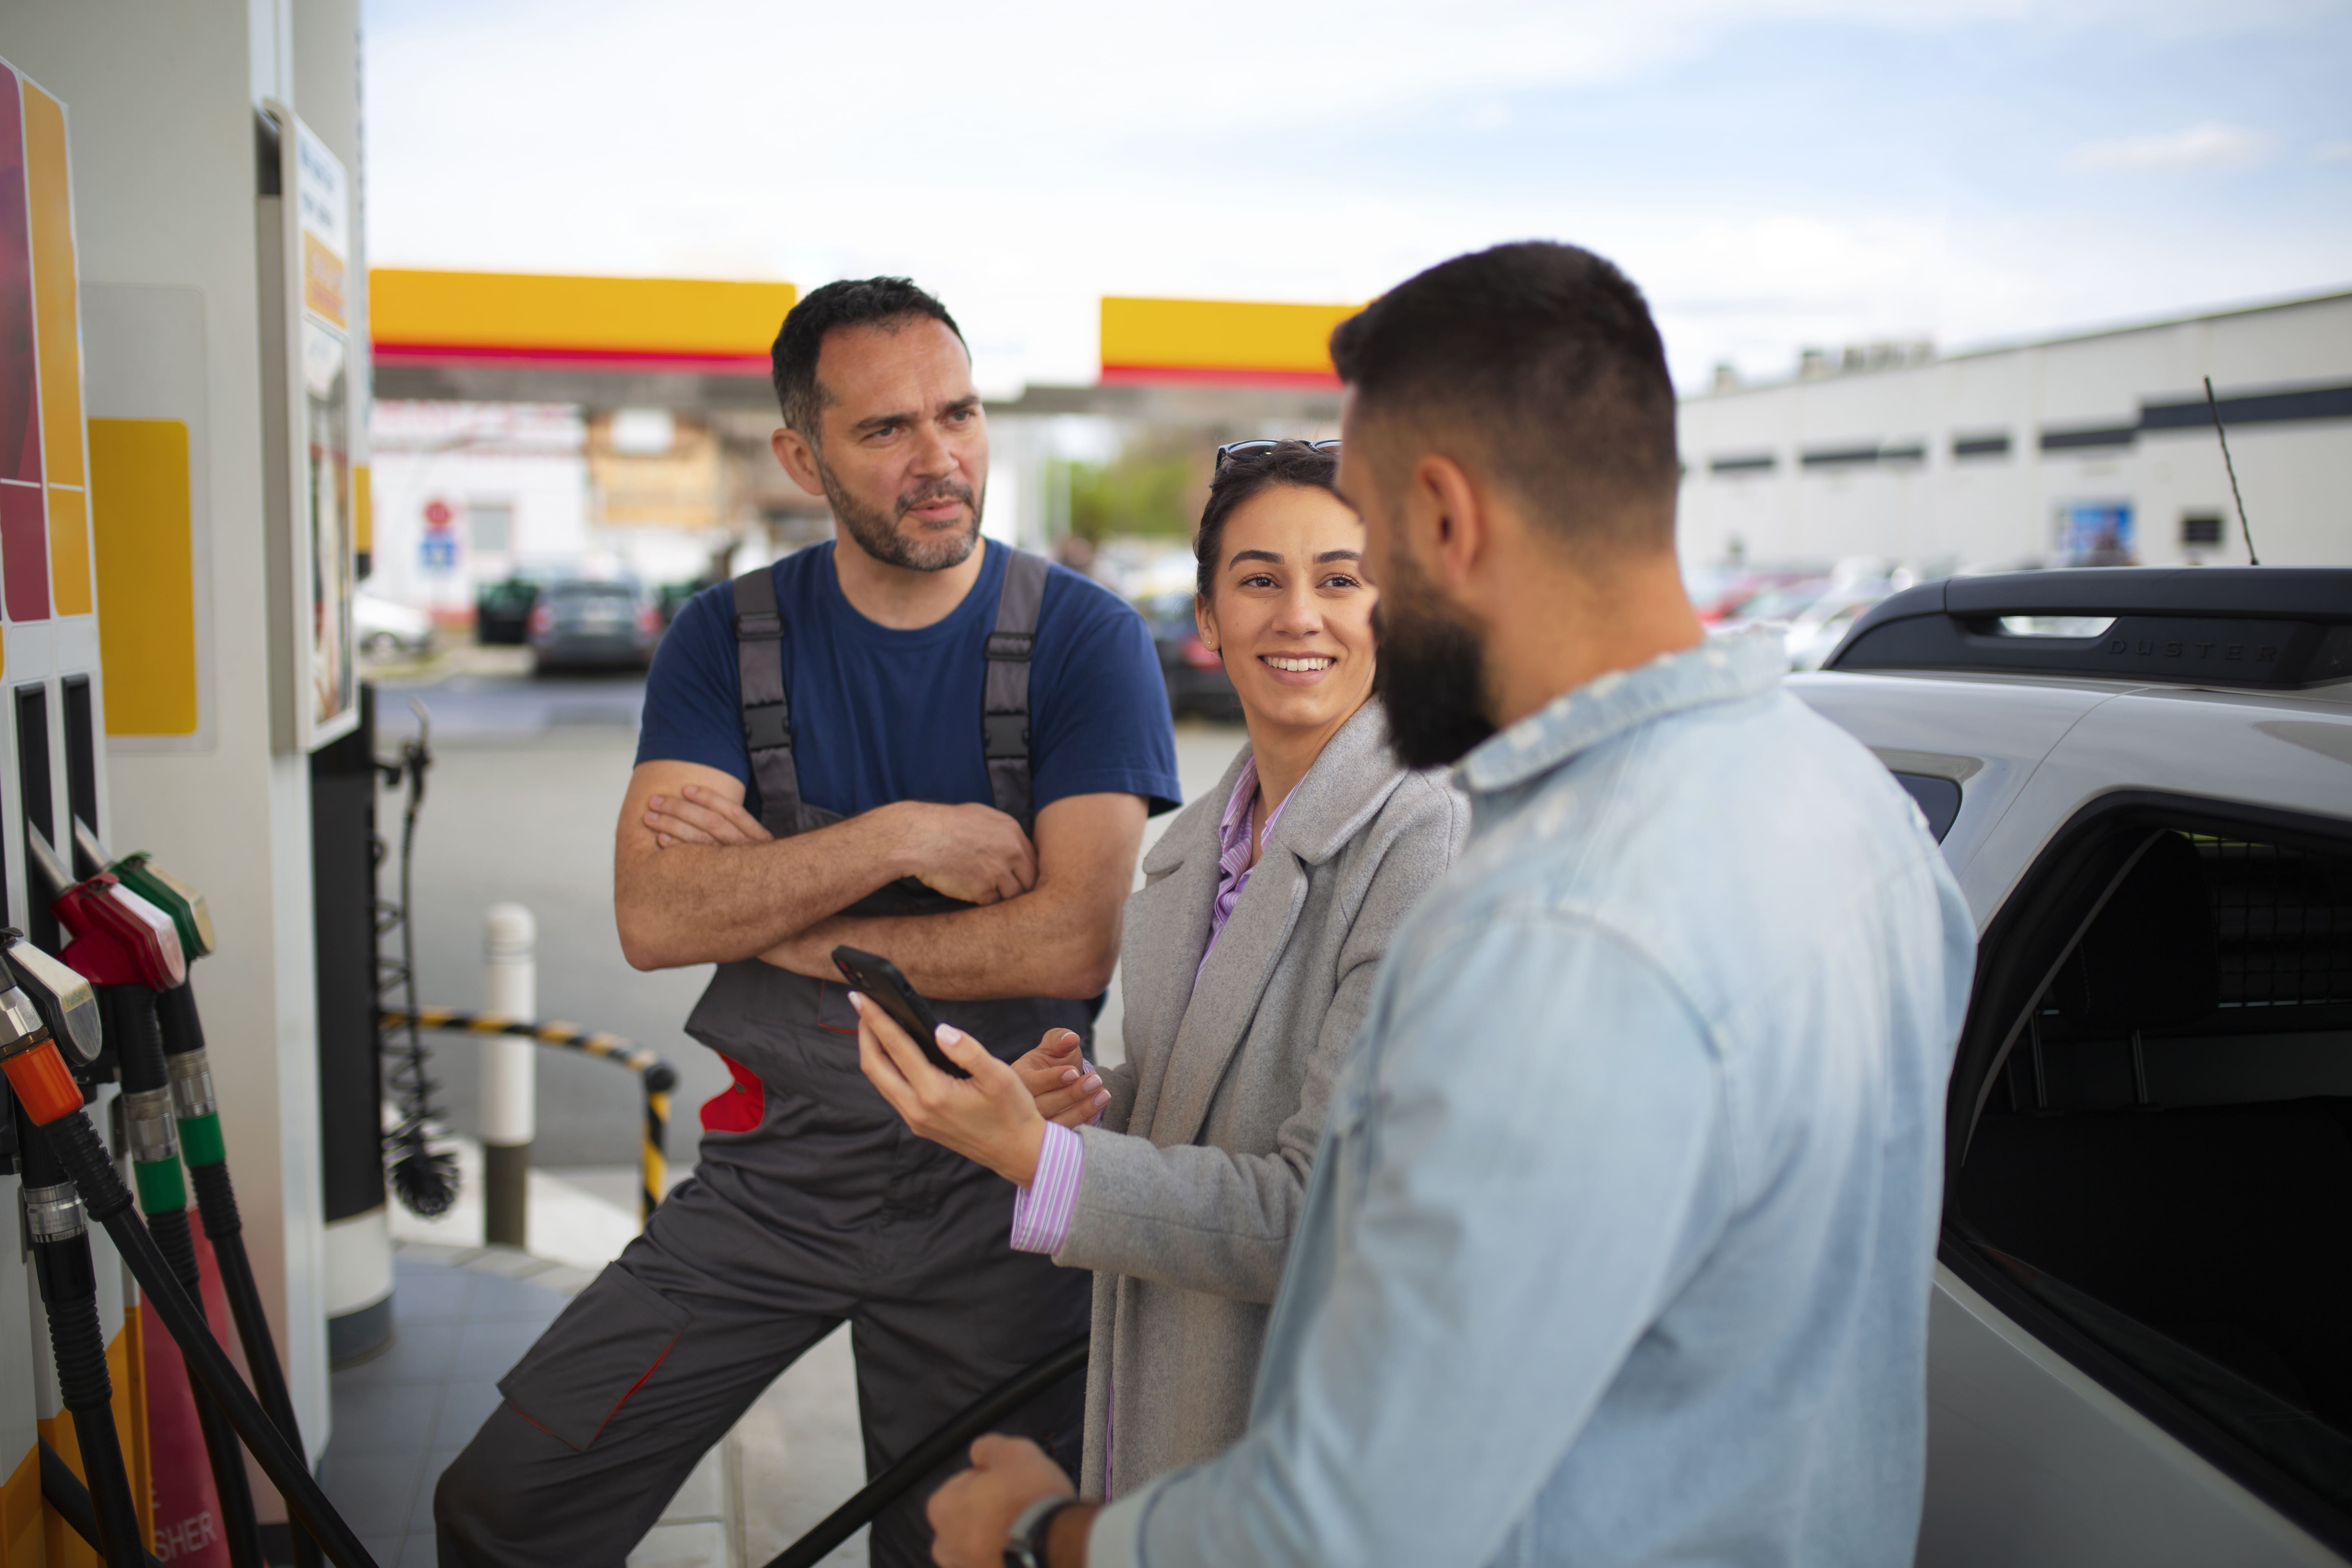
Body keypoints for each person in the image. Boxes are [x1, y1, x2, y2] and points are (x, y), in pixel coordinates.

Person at [921, 241, 1978, 1568]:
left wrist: (1042, 1531)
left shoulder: (1547, 927)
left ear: (1445, 520)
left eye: (1362, 545)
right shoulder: (1857, 809)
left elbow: (1351, 1527)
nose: (1329, 613)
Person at [434, 277, 1182, 1568]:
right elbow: (654, 914)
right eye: (887, 429)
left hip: (1003, 1199)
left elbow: (1071, 942)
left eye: (958, 415)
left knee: (960, 1549)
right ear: (801, 455)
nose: (939, 459)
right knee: (509, 1507)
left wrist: (773, 902)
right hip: (776, 1186)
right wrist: (902, 837)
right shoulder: (724, 640)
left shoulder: (1085, 639)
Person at [851, 439, 1466, 1502]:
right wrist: (1087, 1108)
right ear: (1210, 619)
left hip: (1314, 1472)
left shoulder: (1427, 846)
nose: (1300, 616)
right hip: (1179, 1434)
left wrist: (1046, 1163)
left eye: (1340, 581)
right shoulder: (1194, 852)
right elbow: (1212, 1110)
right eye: (1260, 580)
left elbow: (1324, 1215)